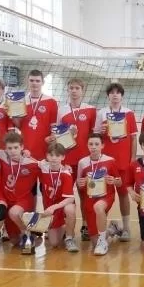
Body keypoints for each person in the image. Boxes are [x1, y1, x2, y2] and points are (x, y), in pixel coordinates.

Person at [52, 78, 96, 242]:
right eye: (71, 88)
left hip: (85, 161)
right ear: (68, 90)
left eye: (77, 88)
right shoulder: (61, 111)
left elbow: (94, 135)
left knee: (86, 195)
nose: (74, 91)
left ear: (83, 91)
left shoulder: (91, 110)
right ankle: (64, 227)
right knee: (65, 195)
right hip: (67, 160)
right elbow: (56, 134)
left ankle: (86, 225)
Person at [94, 82, 138, 242]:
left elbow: (133, 138)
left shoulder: (129, 113)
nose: (115, 95)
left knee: (123, 194)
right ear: (108, 96)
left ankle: (126, 228)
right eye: (112, 92)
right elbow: (95, 137)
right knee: (102, 194)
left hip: (123, 161)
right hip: (105, 162)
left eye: (117, 93)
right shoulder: (101, 113)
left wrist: (133, 158)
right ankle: (101, 229)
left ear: (121, 96)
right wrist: (101, 132)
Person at [77, 134, 122, 256]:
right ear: (87, 146)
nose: (94, 147)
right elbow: (79, 184)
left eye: (97, 144)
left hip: (106, 196)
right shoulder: (82, 162)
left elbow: (119, 182)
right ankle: (112, 229)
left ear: (102, 145)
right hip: (90, 199)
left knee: (98, 207)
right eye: (91, 144)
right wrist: (80, 183)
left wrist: (114, 181)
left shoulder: (110, 161)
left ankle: (103, 242)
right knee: (94, 242)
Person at [0, 131, 41, 254]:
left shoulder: (31, 163)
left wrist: (64, 167)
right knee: (14, 241)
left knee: (14, 213)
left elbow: (49, 166)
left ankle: (27, 234)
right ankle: (29, 229)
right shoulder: (2, 158)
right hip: (8, 201)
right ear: (5, 149)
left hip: (23, 201)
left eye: (16, 147)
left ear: (22, 147)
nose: (13, 151)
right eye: (9, 148)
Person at [8, 69, 58, 162]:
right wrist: (14, 116)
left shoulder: (51, 101)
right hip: (26, 146)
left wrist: (52, 143)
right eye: (31, 80)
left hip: (44, 146)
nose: (34, 83)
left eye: (37, 81)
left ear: (43, 82)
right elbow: (18, 125)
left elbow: (54, 127)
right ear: (27, 81)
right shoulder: (20, 101)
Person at [38, 143, 78, 252]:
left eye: (57, 155)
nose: (54, 158)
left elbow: (70, 199)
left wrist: (54, 207)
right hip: (50, 209)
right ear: (47, 156)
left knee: (70, 209)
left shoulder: (66, 174)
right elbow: (29, 160)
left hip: (62, 206)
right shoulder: (43, 167)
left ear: (63, 157)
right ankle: (64, 227)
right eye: (51, 155)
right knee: (54, 243)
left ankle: (69, 238)